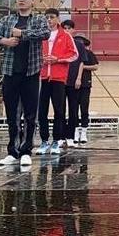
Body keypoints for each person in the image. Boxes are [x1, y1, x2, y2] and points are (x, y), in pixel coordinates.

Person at [0, 0, 50, 167]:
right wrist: (4, 41)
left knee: (30, 114)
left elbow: (45, 33)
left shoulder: (38, 19)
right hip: (10, 71)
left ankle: (26, 150)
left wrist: (23, 34)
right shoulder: (7, 20)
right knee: (12, 114)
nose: (21, 1)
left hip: (31, 72)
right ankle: (12, 151)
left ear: (32, 1)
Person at [37, 8, 78, 155]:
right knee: (42, 111)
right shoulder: (40, 35)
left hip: (58, 78)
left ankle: (56, 141)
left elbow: (74, 55)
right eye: (47, 17)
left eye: (52, 17)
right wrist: (41, 59)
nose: (49, 20)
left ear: (57, 18)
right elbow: (33, 53)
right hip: (42, 77)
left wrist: (58, 59)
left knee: (59, 111)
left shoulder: (65, 35)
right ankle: (44, 141)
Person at [61, 19, 87, 148]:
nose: (67, 30)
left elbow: (81, 62)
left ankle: (71, 136)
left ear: (73, 30)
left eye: (69, 28)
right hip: (60, 80)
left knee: (73, 109)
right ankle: (60, 137)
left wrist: (79, 78)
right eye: (64, 28)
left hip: (73, 80)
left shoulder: (79, 44)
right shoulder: (59, 43)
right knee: (60, 110)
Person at [73, 35, 98, 144]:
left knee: (84, 108)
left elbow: (95, 66)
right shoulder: (72, 53)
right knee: (73, 109)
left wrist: (83, 67)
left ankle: (83, 131)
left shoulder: (88, 53)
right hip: (72, 84)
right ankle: (74, 131)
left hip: (85, 84)